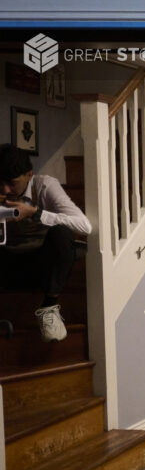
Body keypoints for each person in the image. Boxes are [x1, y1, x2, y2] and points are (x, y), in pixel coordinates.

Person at [0, 144, 91, 342]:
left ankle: (49, 306)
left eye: (12, 183)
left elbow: (84, 226)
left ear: (29, 174)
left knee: (62, 233)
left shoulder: (44, 185)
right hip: (8, 263)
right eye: (0, 183)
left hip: (41, 265)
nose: (5, 190)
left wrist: (36, 213)